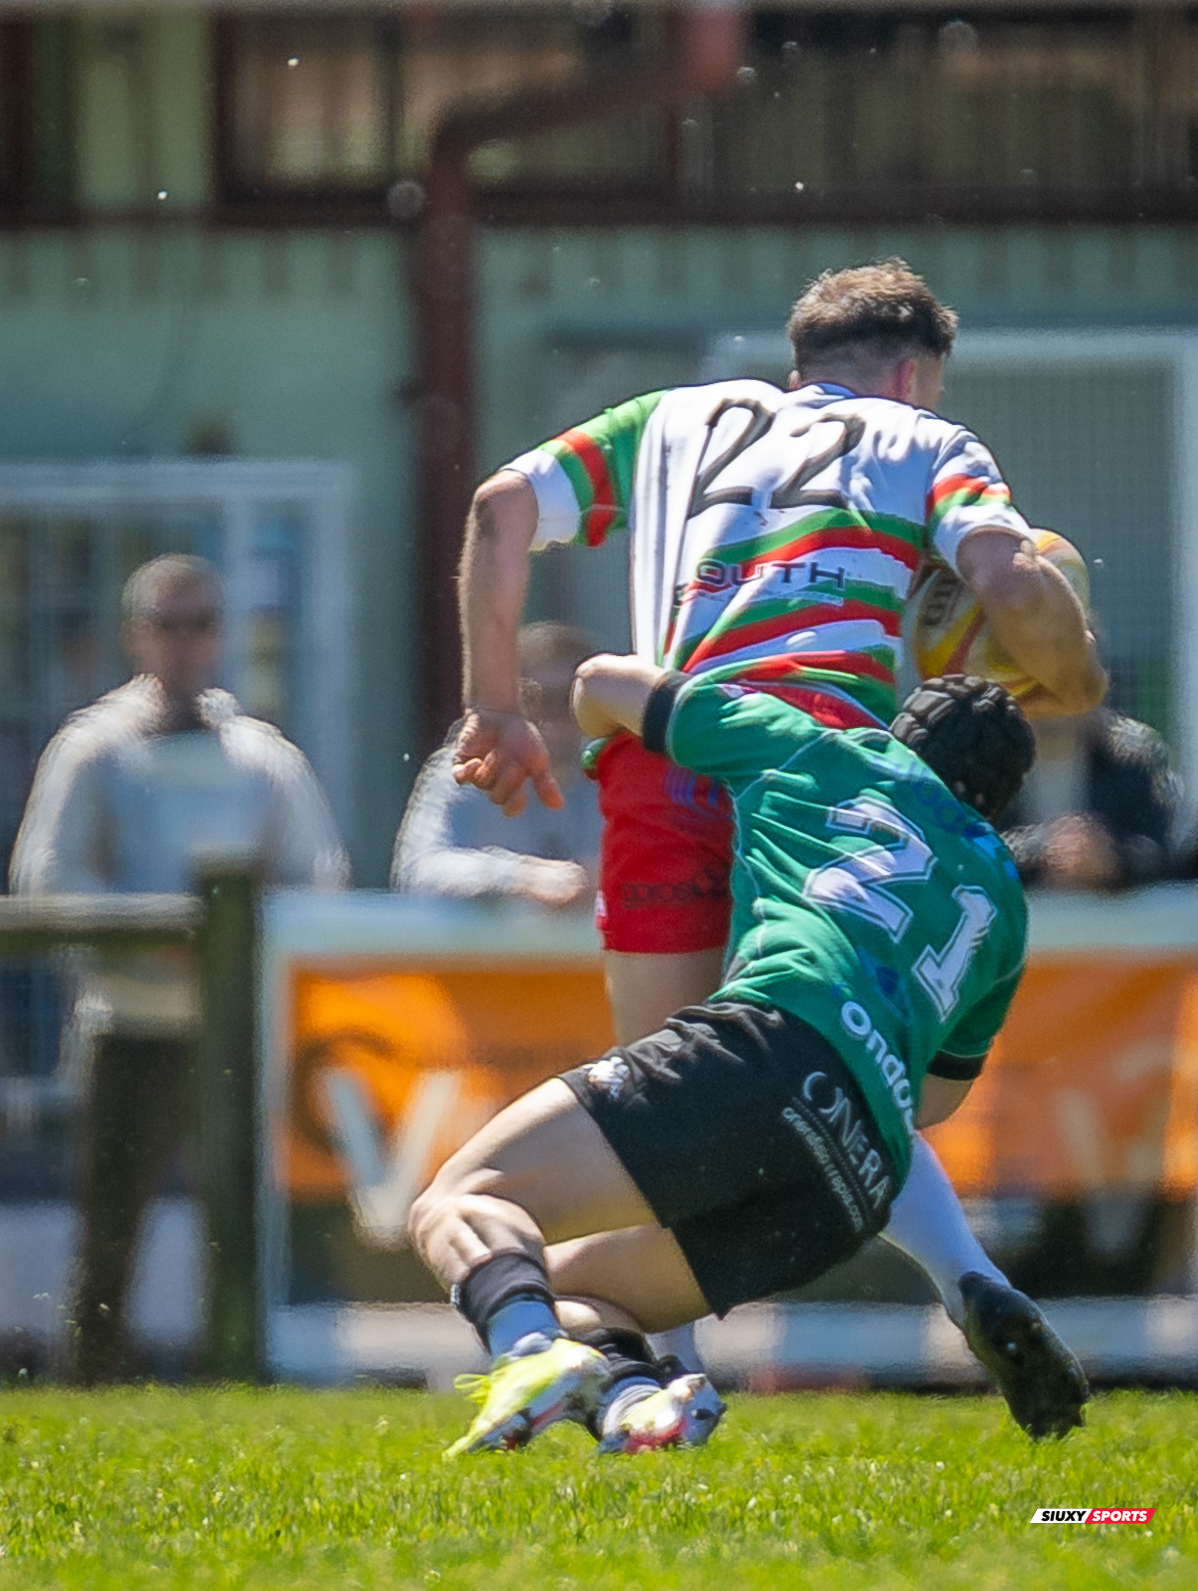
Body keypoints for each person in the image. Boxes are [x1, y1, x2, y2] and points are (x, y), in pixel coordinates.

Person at [450, 260, 1106, 1344]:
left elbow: (500, 507)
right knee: (837, 1055)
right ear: (910, 374)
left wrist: (492, 706)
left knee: (669, 1105)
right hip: (821, 768)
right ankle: (962, 1279)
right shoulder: (924, 441)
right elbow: (1002, 578)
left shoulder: (669, 421)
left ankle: (649, 1382)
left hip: (669, 750)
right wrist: (1074, 674)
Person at [412, 668, 1089, 1456]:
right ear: (996, 806)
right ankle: (645, 1412)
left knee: (462, 1202)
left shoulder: (824, 753)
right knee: (575, 1283)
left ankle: (525, 1354)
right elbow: (932, 1102)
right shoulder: (1002, 897)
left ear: (900, 734)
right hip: (861, 1171)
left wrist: (598, 736)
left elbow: (600, 680)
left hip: (768, 1043)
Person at [10, 554, 349, 1382]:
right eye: (168, 624)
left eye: (201, 623)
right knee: (111, 1220)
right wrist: (149, 932)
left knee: (244, 1219)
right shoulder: (94, 749)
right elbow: (47, 879)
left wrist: (238, 935)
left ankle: (238, 1372)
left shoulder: (262, 758)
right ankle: (92, 1376)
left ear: (222, 635)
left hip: (236, 1027)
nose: (186, 643)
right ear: (136, 635)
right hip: (127, 1024)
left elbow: (317, 874)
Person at [392, 623, 600, 909]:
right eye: (539, 698)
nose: (556, 715)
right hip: (482, 953)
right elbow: (418, 873)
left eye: (570, 699)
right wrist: (519, 876)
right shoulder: (467, 767)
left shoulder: (610, 774)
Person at [1001, 705, 1177, 890]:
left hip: (1114, 915)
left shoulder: (1135, 752)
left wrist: (1112, 856)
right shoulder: (983, 748)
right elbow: (972, 851)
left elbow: (1163, 851)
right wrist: (1043, 848)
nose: (1054, 697)